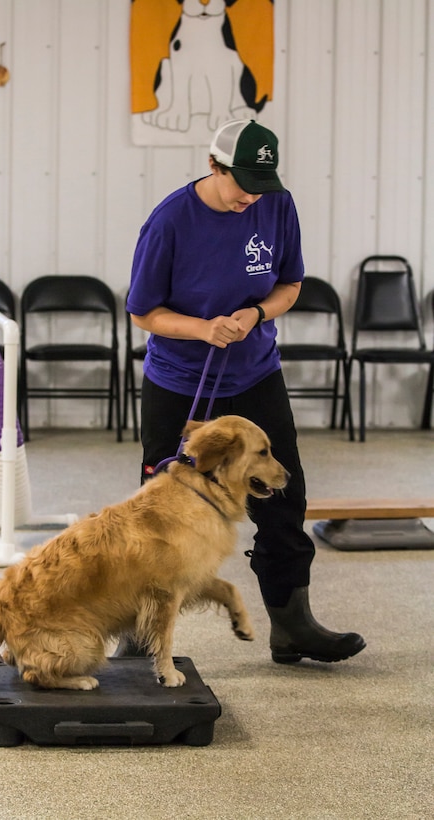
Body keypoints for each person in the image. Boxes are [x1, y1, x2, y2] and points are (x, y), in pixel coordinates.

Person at [125, 119, 366, 665]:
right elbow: (144, 312)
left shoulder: (276, 205)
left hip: (255, 374)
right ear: (213, 166)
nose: (249, 197)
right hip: (182, 382)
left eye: (260, 185)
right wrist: (204, 327)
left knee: (284, 496)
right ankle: (138, 633)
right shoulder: (169, 222)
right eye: (242, 185)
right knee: (162, 509)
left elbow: (290, 285)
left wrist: (256, 312)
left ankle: (292, 624)